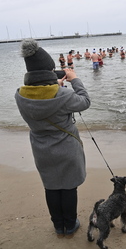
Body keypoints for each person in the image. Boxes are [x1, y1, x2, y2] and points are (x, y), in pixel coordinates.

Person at [15, 39, 90, 239]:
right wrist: (75, 80)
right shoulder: (63, 95)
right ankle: (70, 224)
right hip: (66, 146)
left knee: (51, 186)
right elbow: (85, 101)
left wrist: (54, 85)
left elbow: (41, 96)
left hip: (40, 148)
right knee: (69, 187)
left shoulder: (20, 95)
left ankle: (58, 226)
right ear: (49, 71)